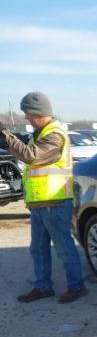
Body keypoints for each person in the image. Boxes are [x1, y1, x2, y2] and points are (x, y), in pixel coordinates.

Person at [0, 92, 87, 303]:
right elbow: (24, 148)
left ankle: (76, 286)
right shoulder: (39, 133)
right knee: (38, 248)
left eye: (28, 114)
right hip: (40, 203)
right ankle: (43, 287)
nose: (26, 118)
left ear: (38, 113)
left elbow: (31, 155)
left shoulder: (54, 135)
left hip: (56, 202)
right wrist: (7, 137)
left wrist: (6, 135)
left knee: (64, 248)